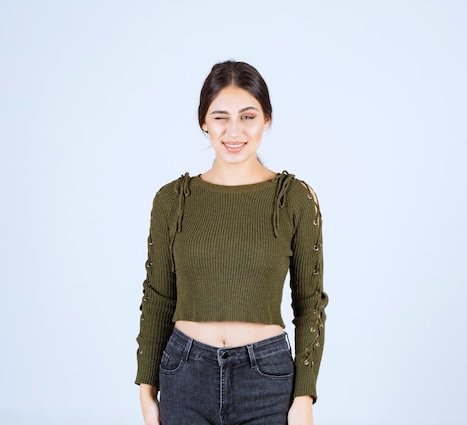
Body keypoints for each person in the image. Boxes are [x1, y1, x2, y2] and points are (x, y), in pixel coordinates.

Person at [135, 60, 328, 425]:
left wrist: (304, 396)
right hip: (184, 375)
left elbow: (309, 304)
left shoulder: (295, 198)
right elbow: (158, 296)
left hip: (266, 379)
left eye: (248, 116)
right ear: (204, 122)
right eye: (221, 117)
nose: (234, 130)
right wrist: (146, 388)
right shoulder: (172, 200)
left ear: (267, 120)